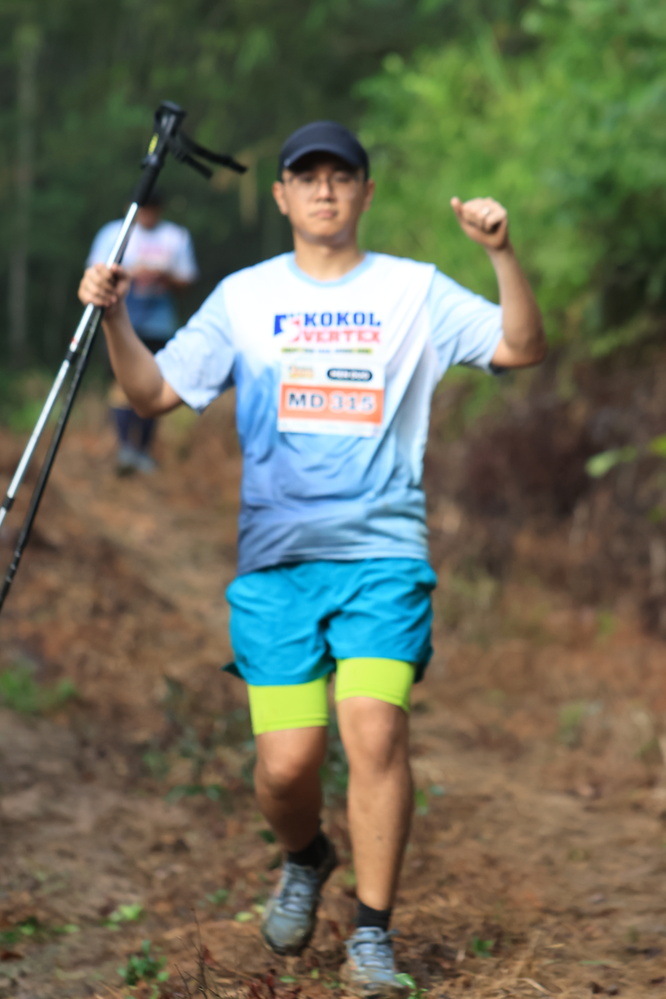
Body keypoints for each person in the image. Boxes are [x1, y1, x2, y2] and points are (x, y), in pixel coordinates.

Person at [78, 121, 546, 997]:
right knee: (286, 767)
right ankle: (306, 854)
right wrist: (112, 315)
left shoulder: (413, 290)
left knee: (375, 731)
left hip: (382, 555)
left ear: (366, 191)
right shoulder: (245, 296)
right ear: (282, 195)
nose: (325, 189)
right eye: (307, 176)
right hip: (277, 563)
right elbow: (151, 392)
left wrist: (501, 254)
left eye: (341, 175)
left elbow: (520, 346)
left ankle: (373, 934)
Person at [86, 190, 199, 474]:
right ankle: (127, 448)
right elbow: (94, 272)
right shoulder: (113, 233)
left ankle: (142, 451)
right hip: (120, 318)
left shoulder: (175, 236)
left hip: (158, 322)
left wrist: (163, 276)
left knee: (155, 383)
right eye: (142, 209)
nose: (147, 215)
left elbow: (187, 278)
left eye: (152, 209)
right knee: (120, 384)